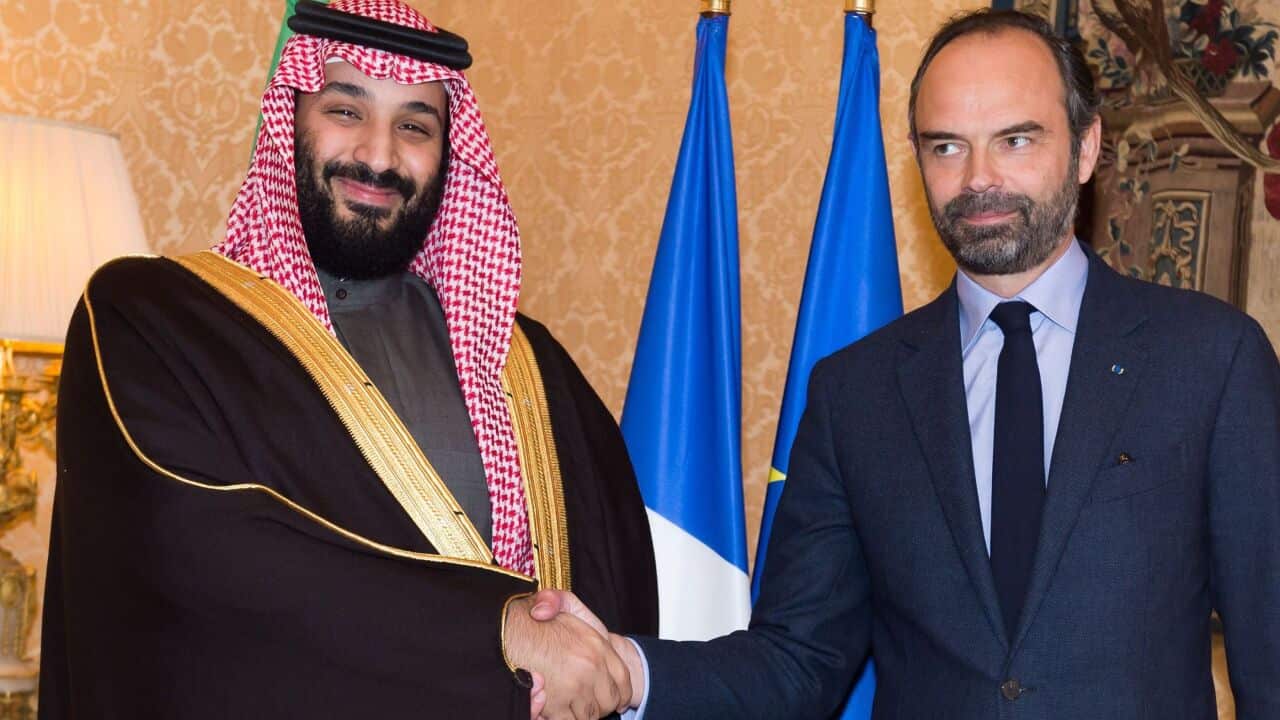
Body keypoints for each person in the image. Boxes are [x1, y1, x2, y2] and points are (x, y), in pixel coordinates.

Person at [531, 9, 1280, 719]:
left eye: (1016, 140)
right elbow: (797, 660)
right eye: (947, 145)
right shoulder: (856, 392)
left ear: (1086, 148)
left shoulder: (1210, 361)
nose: (979, 178)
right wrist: (627, 670)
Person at [38, 2, 656, 718]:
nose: (379, 155)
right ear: (288, 120)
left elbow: (615, 583)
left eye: (416, 126)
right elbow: (200, 554)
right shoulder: (152, 324)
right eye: (345, 110)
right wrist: (497, 631)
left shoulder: (534, 367)